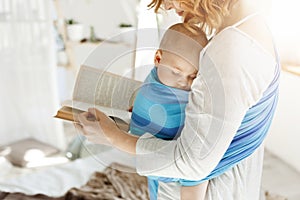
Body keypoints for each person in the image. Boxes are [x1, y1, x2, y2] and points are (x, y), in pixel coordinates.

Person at [75, 0, 280, 199]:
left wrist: (112, 136)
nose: (166, 6)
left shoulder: (232, 50)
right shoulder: (246, 28)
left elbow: (193, 163)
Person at [129, 23, 208, 200]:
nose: (183, 82)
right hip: (155, 157)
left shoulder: (164, 79)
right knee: (161, 190)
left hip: (164, 162)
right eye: (176, 72)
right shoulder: (157, 86)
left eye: (192, 76)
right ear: (158, 59)